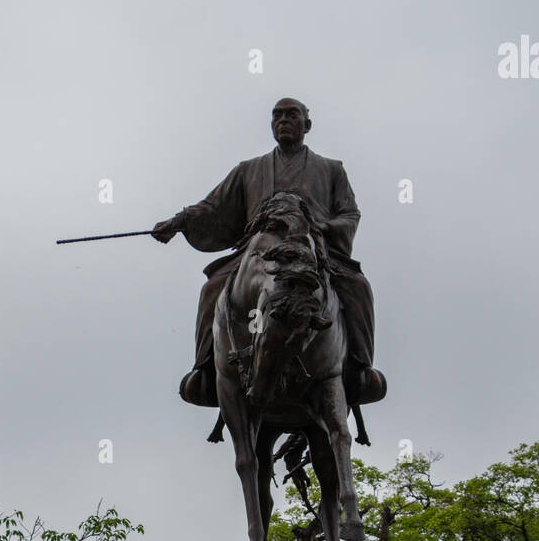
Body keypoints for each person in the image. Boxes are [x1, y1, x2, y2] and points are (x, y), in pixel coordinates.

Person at [153, 98, 386, 409]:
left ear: (307, 124)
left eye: (292, 115)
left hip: (314, 252)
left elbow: (350, 214)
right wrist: (179, 221)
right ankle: (205, 370)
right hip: (256, 254)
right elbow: (212, 207)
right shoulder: (248, 170)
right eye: (277, 115)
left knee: (358, 286)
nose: (283, 120)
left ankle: (361, 368)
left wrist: (324, 226)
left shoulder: (332, 169)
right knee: (212, 288)